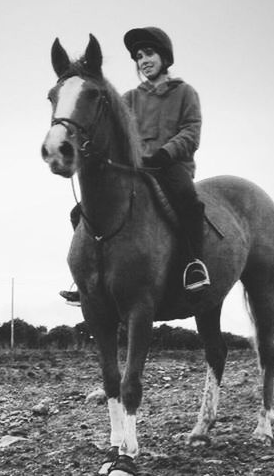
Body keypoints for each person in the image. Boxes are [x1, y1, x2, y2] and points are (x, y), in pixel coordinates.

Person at [60, 26, 210, 305]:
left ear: (164, 57)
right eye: (139, 56)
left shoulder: (185, 93)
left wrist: (165, 153)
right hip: (134, 167)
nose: (144, 60)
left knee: (189, 202)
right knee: (78, 212)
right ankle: (88, 278)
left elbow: (191, 132)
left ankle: (193, 265)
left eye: (149, 53)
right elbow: (117, 133)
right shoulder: (129, 98)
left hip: (171, 165)